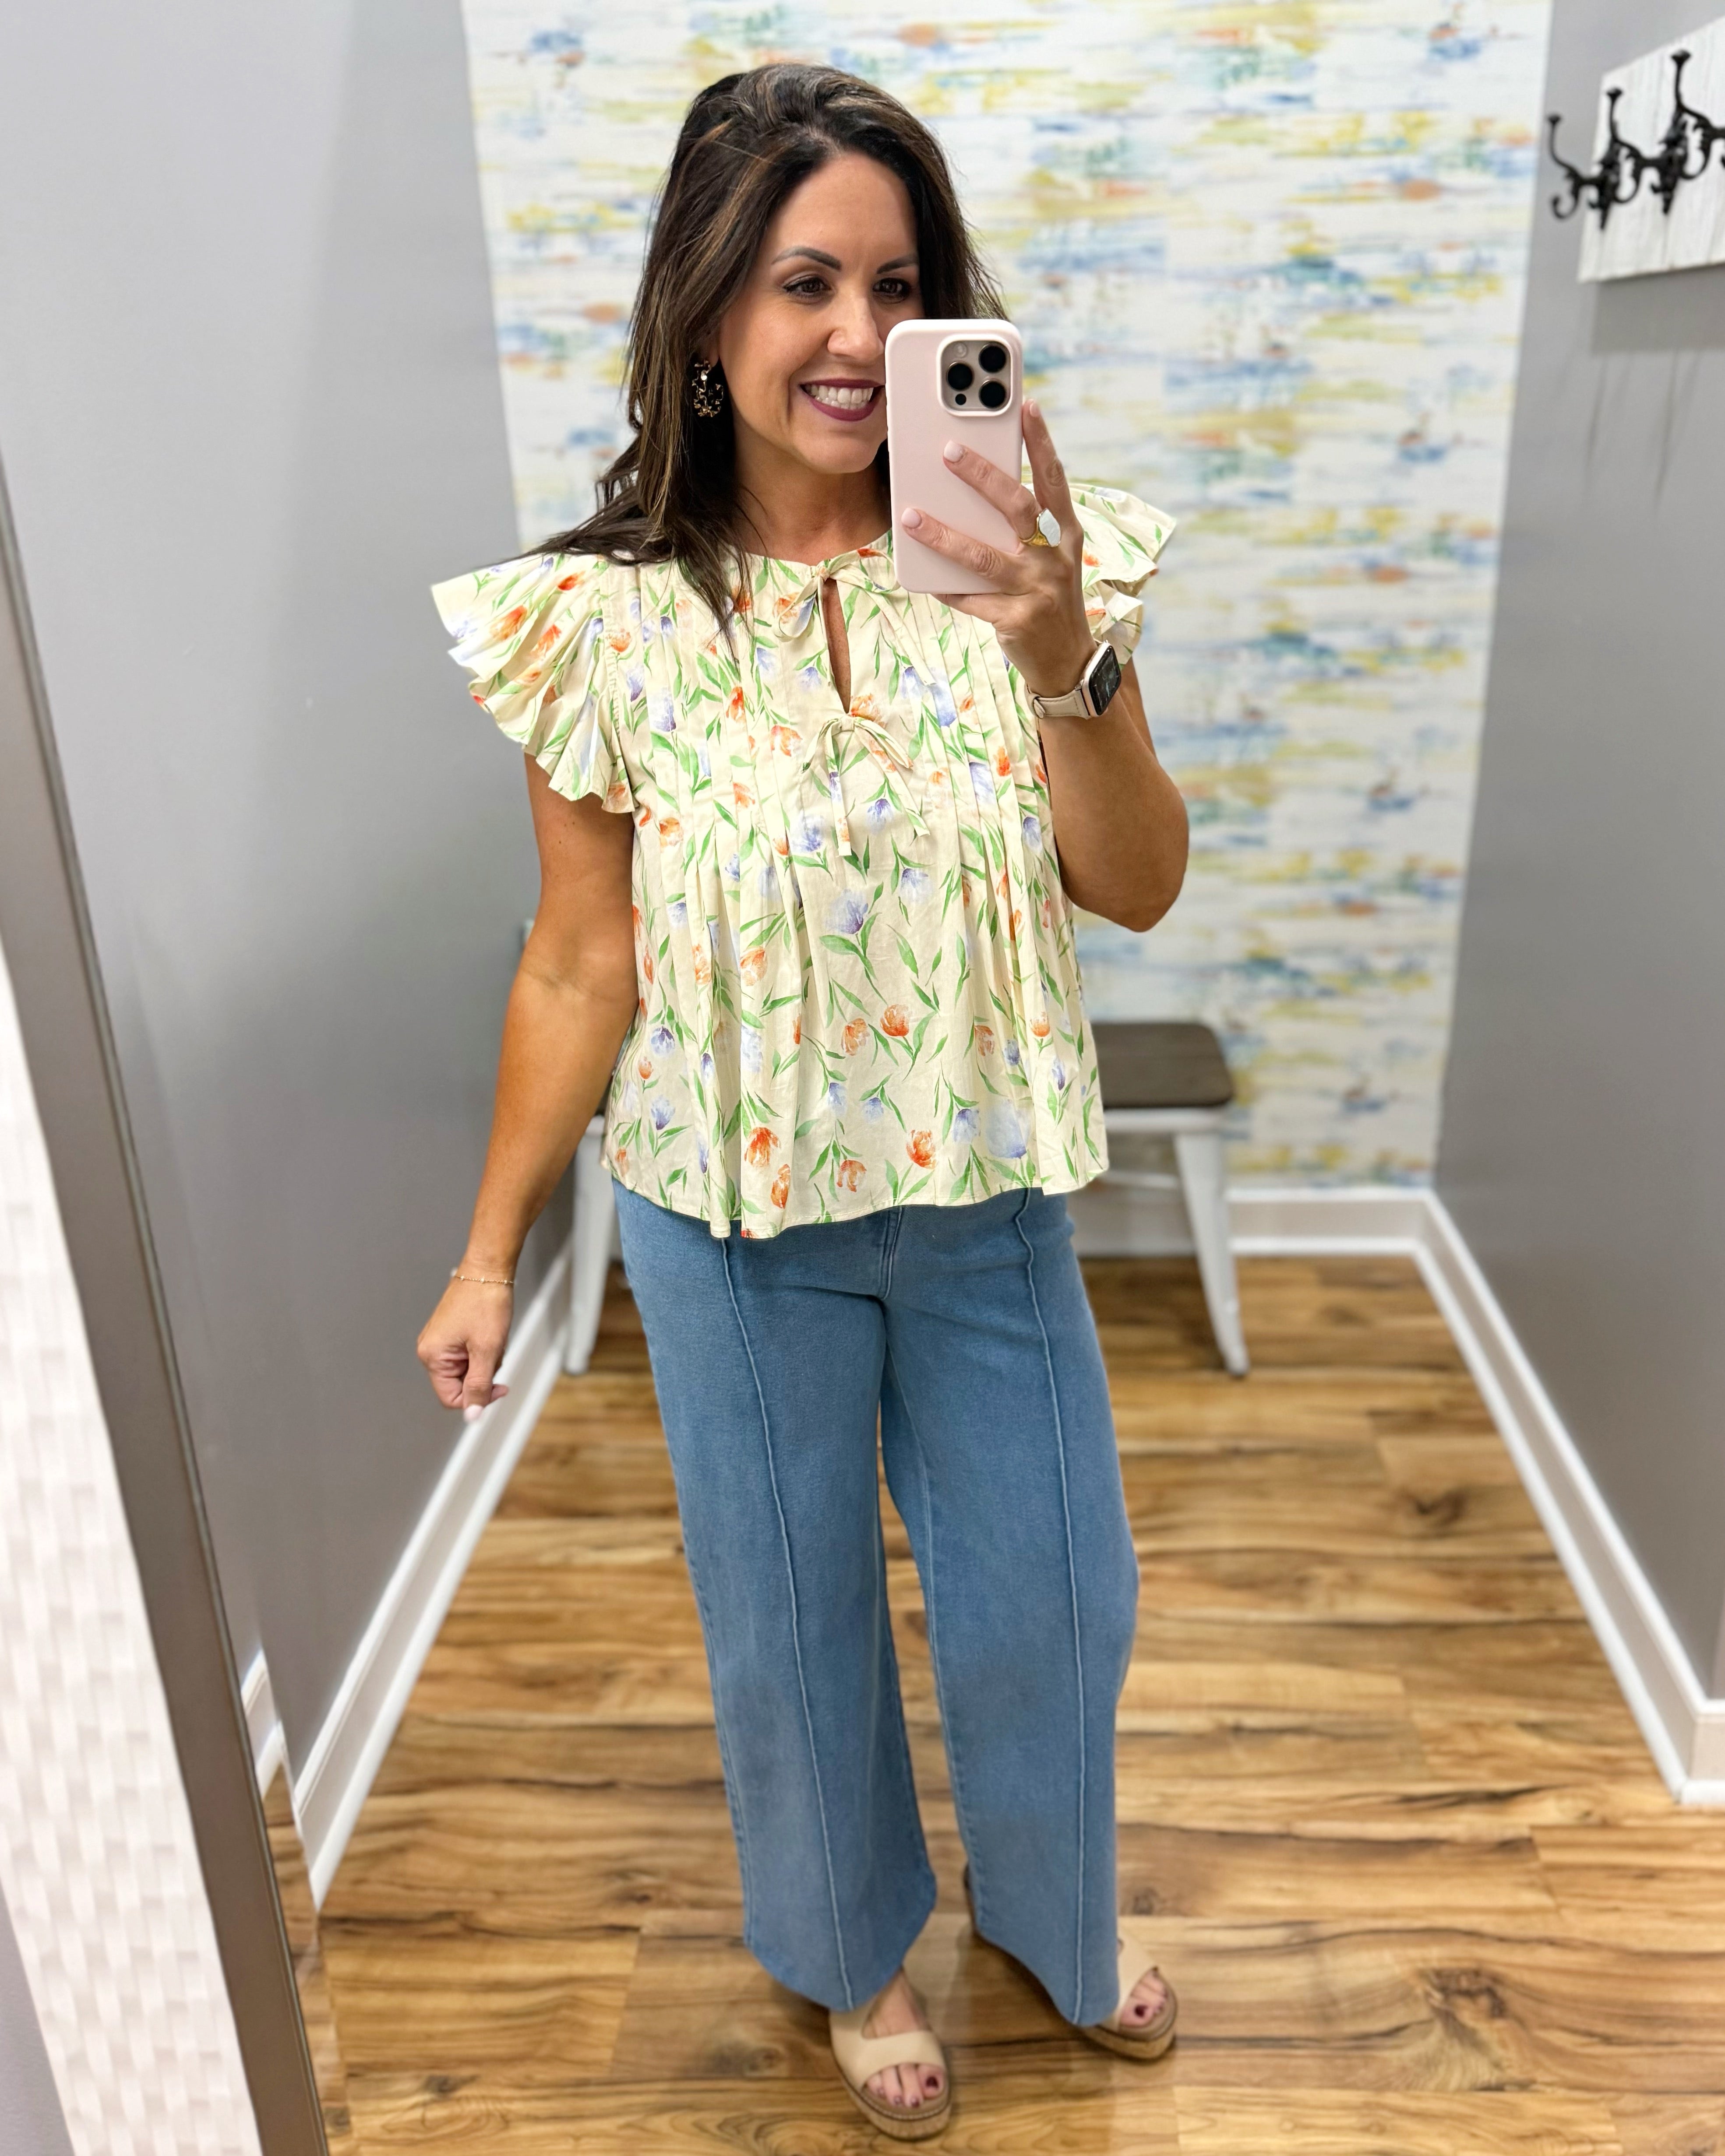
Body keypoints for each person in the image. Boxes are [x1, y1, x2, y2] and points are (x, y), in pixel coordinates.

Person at [417, 62, 1188, 2139]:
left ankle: (1045, 1901)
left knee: (1055, 1598)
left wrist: (1059, 657)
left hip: (990, 1208)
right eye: (802, 281)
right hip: (728, 1232)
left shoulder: (1039, 571)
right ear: (704, 314)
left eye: (899, 283)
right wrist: (490, 1249)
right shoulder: (599, 623)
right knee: (786, 1631)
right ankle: (853, 1956)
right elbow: (583, 960)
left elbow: (1131, 885)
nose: (857, 336)